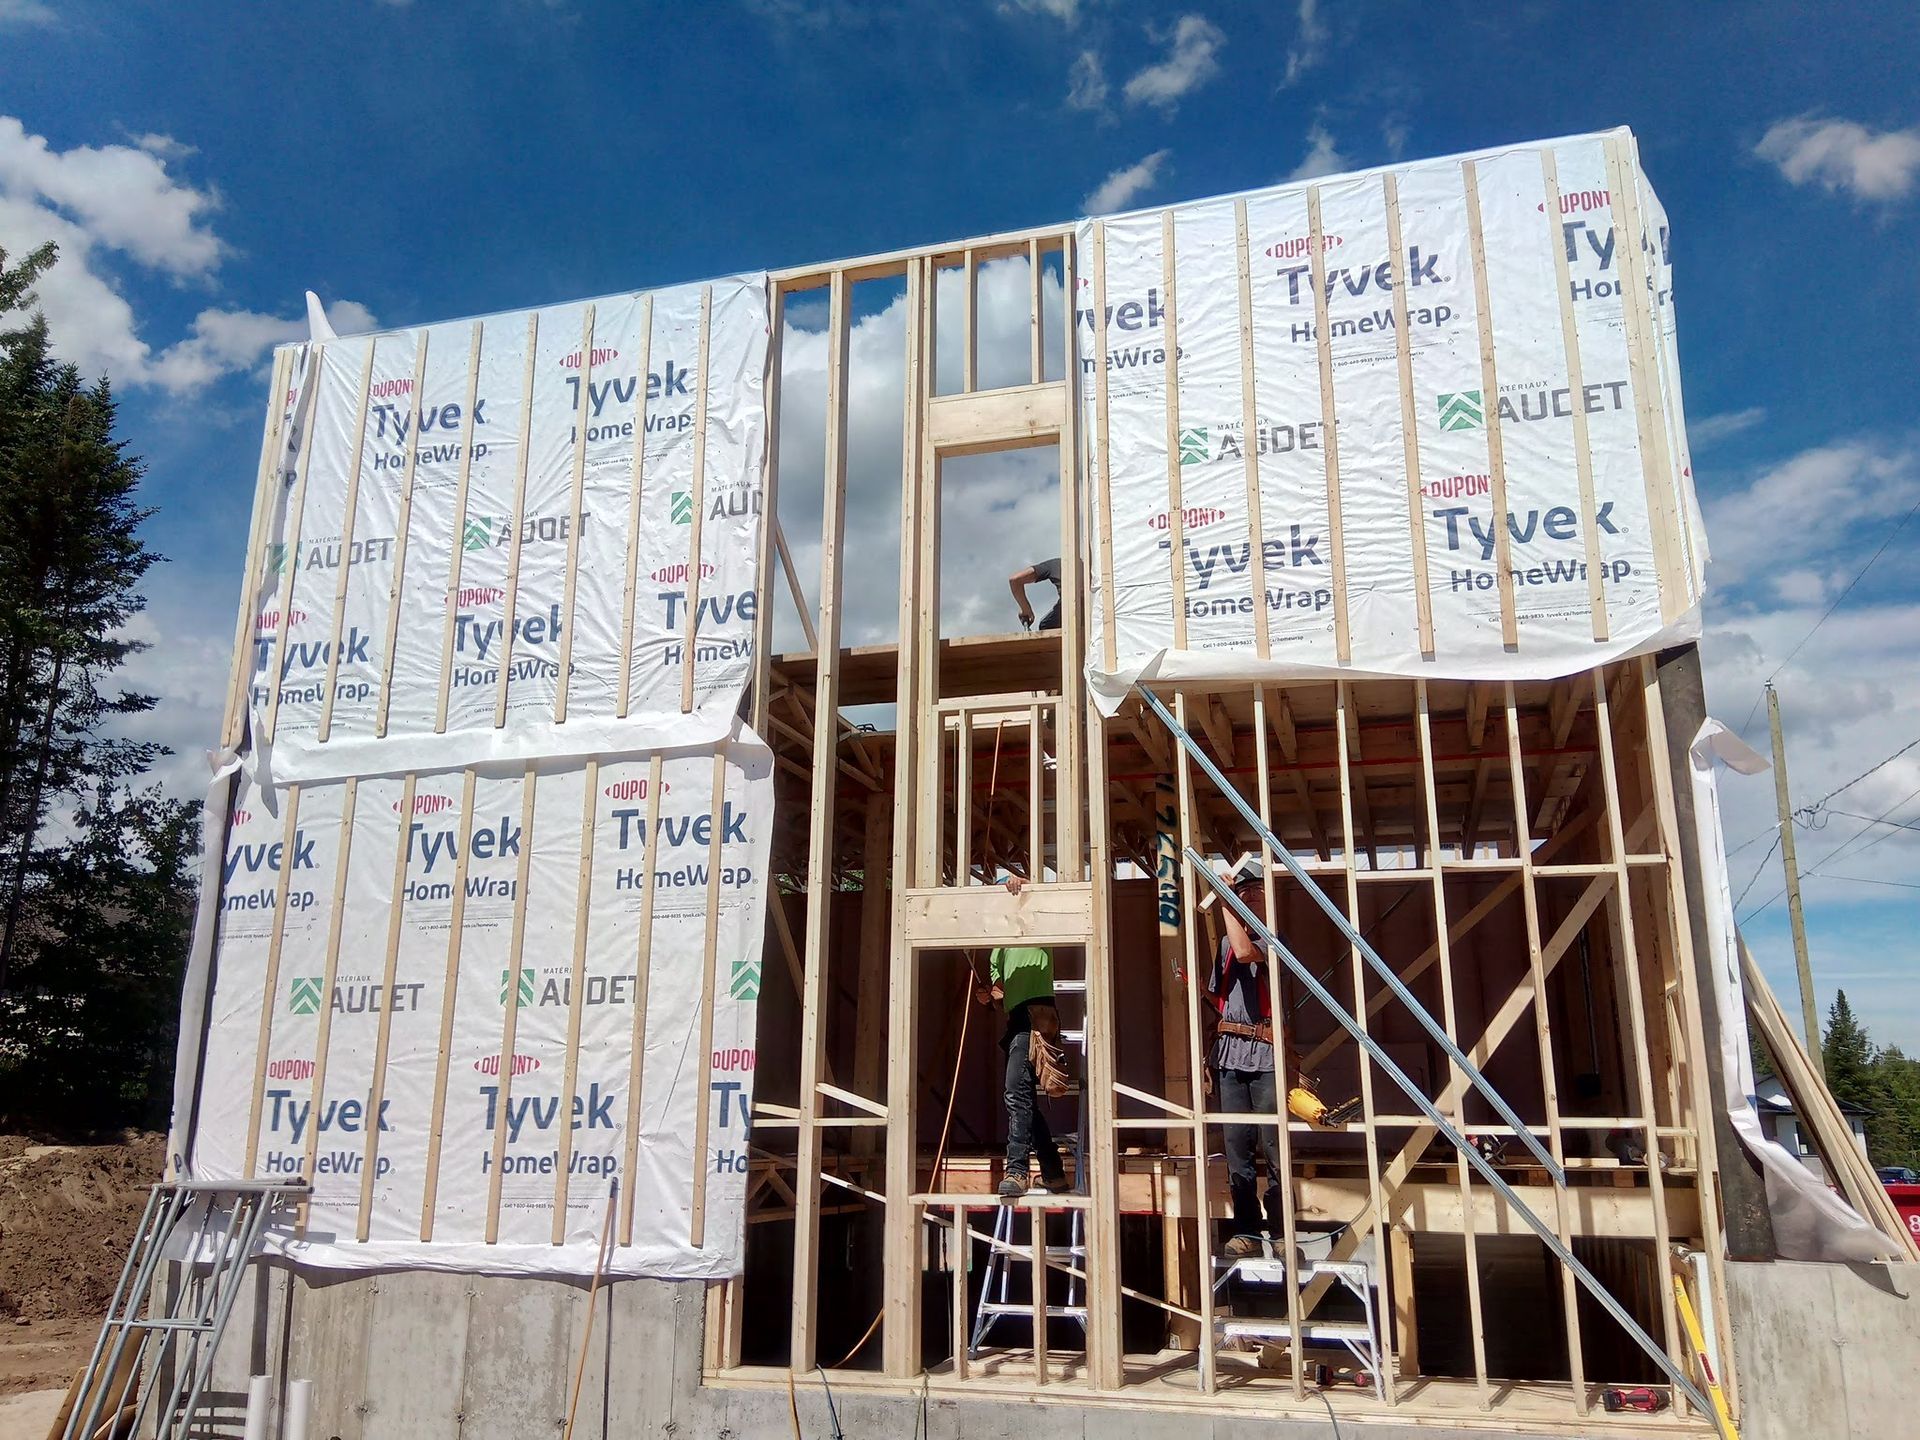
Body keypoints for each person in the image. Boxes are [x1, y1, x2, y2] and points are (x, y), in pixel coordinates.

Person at [1203, 860, 1357, 1258]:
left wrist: (1224, 901)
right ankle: (1248, 1233)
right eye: (1244, 892)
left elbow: (1242, 950)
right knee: (1237, 1146)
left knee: (1272, 1146)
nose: (1250, 896)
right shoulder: (1222, 945)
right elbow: (1218, 997)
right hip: (1231, 1056)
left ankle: (1282, 1234)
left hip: (1267, 1056)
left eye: (1256, 892)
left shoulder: (1276, 940)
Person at [975, 876, 1072, 1199]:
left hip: (1039, 1013)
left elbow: (1050, 899)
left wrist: (1026, 885)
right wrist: (989, 997)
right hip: (1017, 1017)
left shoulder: (1034, 926)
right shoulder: (998, 948)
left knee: (1016, 1095)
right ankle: (1053, 1172)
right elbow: (1000, 992)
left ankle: (1017, 1170)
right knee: (1023, 1097)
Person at [1008, 557, 1063, 631]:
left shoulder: (1057, 564)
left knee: (1046, 626)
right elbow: (1015, 580)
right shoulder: (1081, 565)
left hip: (1067, 615)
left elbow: (1015, 580)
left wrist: (1026, 609)